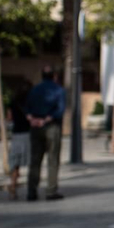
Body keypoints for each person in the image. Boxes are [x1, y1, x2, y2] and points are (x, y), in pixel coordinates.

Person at [25, 65, 65, 201]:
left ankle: (31, 191)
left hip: (35, 127)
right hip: (51, 127)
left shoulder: (35, 90)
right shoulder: (58, 90)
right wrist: (46, 119)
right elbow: (60, 110)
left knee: (35, 160)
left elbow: (27, 108)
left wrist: (33, 119)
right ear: (54, 76)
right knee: (53, 159)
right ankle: (51, 190)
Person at [5, 86, 30, 200]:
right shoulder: (30, 103)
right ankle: (31, 188)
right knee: (31, 161)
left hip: (17, 134)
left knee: (15, 161)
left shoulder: (13, 104)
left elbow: (9, 118)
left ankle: (13, 185)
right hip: (28, 134)